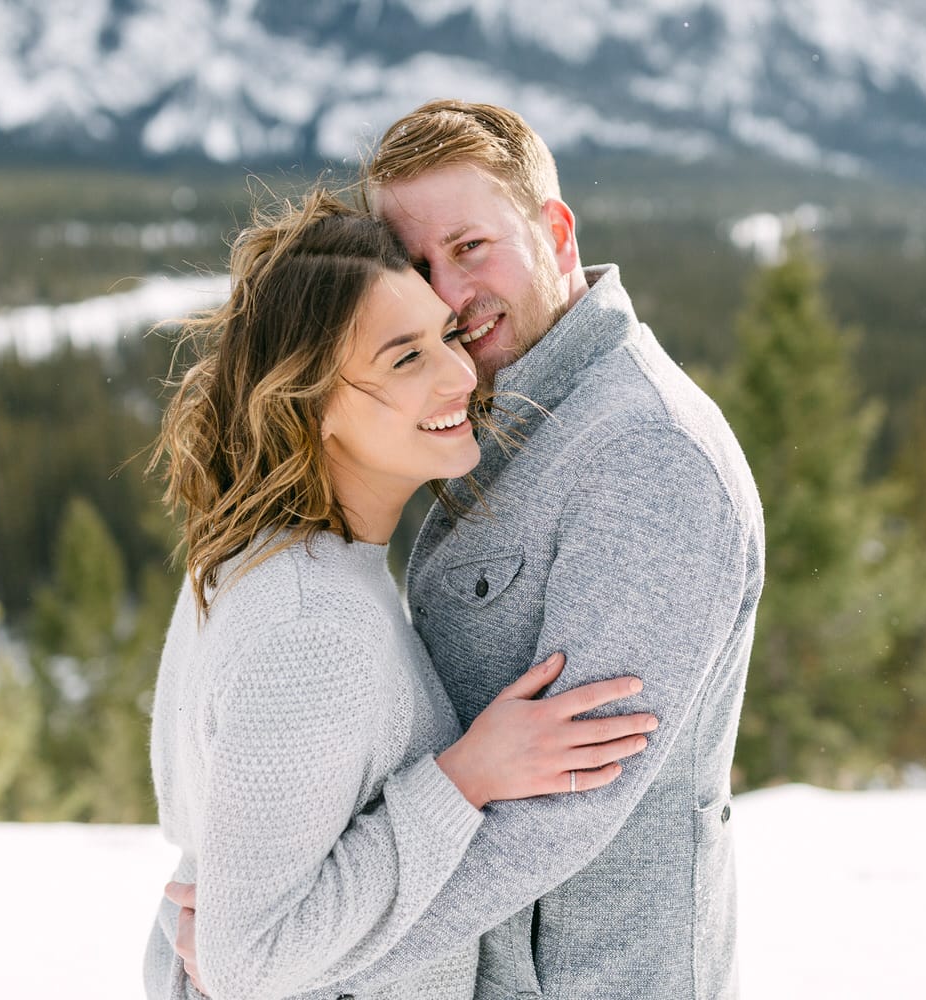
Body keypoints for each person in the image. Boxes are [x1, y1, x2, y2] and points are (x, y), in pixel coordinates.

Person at [171, 99, 765, 999]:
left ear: (554, 231)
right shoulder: (503, 416)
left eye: (471, 248)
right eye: (415, 265)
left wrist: (299, 965)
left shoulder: (643, 455)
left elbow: (569, 802)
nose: (447, 295)